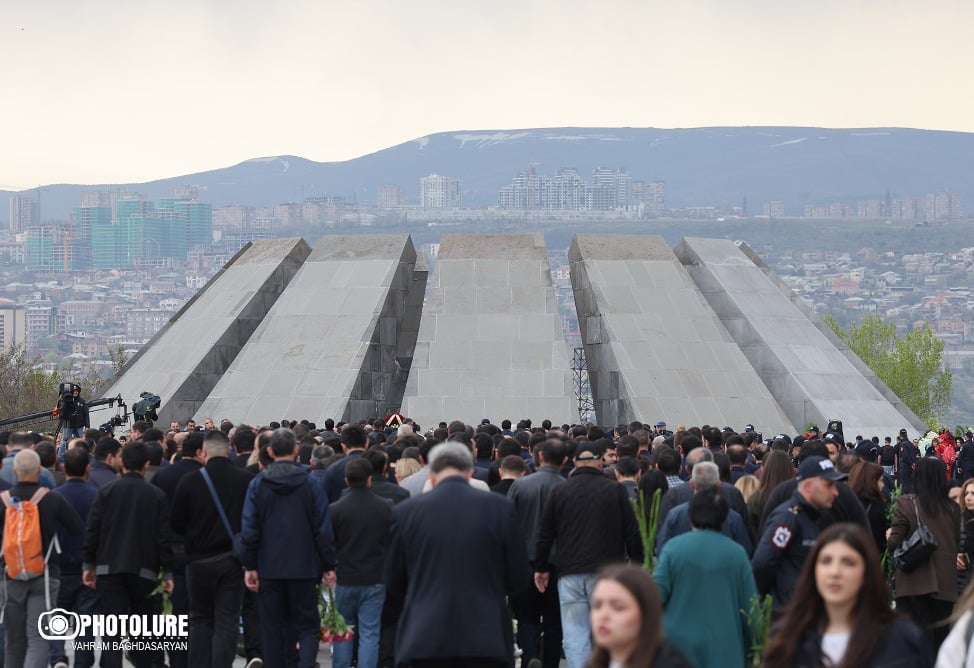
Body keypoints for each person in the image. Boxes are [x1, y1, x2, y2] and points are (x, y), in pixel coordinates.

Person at [385, 441, 531, 667]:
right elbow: (519, 577)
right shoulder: (500, 509)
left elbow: (394, 580)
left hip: (425, 634)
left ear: (431, 475)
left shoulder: (406, 512)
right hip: (486, 634)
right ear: (470, 472)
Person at [535, 441, 643, 668]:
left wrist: (541, 567)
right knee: (608, 628)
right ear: (600, 461)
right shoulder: (614, 490)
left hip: (570, 572)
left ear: (574, 461)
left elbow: (545, 534)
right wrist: (636, 565)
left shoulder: (561, 490)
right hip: (607, 573)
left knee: (575, 634)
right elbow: (632, 532)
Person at [762, 523, 932, 668]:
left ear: (866, 573)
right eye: (826, 561)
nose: (835, 572)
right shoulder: (788, 640)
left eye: (848, 563)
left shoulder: (902, 641)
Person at [240, 427, 337, 668]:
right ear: (296, 450)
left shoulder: (258, 484)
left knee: (272, 627)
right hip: (304, 566)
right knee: (306, 625)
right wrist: (328, 564)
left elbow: (249, 529)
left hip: (268, 567)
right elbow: (322, 529)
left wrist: (250, 564)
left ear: (270, 451)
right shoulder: (311, 484)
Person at [82, 442, 175, 668]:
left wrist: (88, 564)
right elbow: (163, 537)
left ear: (121, 463)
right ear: (146, 465)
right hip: (145, 571)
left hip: (109, 569)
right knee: (142, 630)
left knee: (111, 630)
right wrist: (169, 571)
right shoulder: (156, 495)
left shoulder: (106, 492)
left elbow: (93, 530)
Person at [170, 429, 257, 668]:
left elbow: (176, 523)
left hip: (197, 562)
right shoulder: (245, 480)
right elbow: (252, 521)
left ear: (204, 452)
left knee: (200, 620)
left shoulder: (189, 481)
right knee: (227, 622)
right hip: (231, 562)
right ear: (228, 450)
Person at [655, 488, 757, 668]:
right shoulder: (737, 553)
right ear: (724, 516)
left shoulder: (673, 549)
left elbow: (656, 595)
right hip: (725, 647)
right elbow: (751, 608)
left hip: (677, 648)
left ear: (691, 515)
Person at [0, 450, 83, 668]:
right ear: (39, 471)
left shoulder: (3, 501)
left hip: (10, 575)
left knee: (13, 640)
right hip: (45, 574)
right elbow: (77, 529)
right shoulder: (52, 499)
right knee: (38, 636)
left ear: (16, 471)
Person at [752, 455, 847, 612]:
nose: (836, 492)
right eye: (829, 485)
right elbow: (762, 563)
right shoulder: (788, 517)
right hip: (789, 613)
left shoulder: (813, 516)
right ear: (808, 486)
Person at [507, 439, 568, 668]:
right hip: (557, 563)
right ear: (564, 460)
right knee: (554, 620)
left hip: (524, 562)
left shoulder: (520, 486)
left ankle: (530, 655)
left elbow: (508, 523)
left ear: (539, 457)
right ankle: (550, 662)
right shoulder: (567, 487)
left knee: (525, 617)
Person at [887, 456, 959, 652]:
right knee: (939, 647)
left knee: (912, 649)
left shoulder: (906, 503)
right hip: (945, 587)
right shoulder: (952, 508)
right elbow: (956, 541)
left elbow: (894, 542)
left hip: (913, 584)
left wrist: (888, 536)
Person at [329, 457, 392, 668]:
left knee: (343, 630)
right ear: (369, 480)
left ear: (346, 480)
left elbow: (330, 544)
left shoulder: (335, 509)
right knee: (370, 632)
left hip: (345, 577)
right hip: (375, 577)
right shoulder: (386, 507)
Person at [49, 447, 100, 668]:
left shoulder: (54, 497)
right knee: (85, 619)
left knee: (57, 616)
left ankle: (58, 656)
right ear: (88, 468)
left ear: (63, 468)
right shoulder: (96, 496)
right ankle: (83, 659)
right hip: (87, 567)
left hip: (58, 566)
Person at [584, 564, 693, 668]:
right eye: (597, 606)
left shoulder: (670, 663)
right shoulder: (595, 663)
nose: (603, 616)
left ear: (645, 613)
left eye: (618, 607)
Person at [848, 461, 888, 556]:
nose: (883, 485)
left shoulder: (845, 502)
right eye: (880, 480)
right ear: (871, 482)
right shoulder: (879, 506)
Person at [57, 384, 89, 456]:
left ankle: (82, 455)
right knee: (64, 442)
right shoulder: (65, 401)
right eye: (74, 391)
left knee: (80, 441)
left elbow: (86, 414)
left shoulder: (82, 401)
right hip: (68, 425)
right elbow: (62, 415)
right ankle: (60, 457)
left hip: (79, 426)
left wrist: (87, 426)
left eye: (77, 391)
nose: (75, 392)